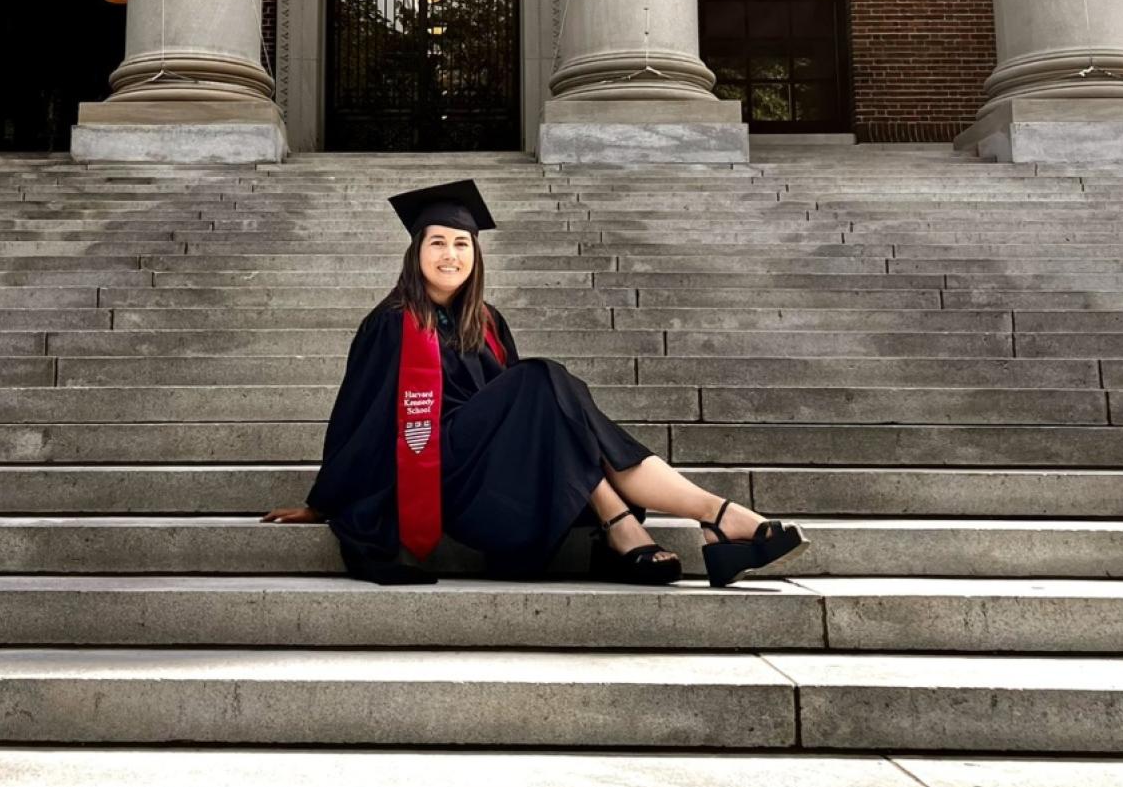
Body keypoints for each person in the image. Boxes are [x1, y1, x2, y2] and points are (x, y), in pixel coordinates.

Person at [261, 180, 808, 587]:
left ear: (475, 257)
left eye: (462, 244)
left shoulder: (489, 323)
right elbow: (358, 414)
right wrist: (323, 501)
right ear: (416, 254)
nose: (450, 254)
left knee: (550, 395)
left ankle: (668, 523)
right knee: (543, 381)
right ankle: (705, 520)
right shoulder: (391, 323)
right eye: (437, 243)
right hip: (443, 473)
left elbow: (536, 422)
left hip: (501, 470)